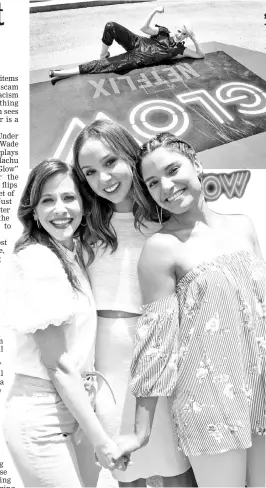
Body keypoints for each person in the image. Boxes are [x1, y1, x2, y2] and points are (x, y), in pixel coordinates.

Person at [114, 132, 266, 487]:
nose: (165, 186)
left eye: (172, 170)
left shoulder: (243, 224)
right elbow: (155, 344)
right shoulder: (161, 248)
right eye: (153, 182)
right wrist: (140, 432)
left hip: (260, 387)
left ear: (196, 164)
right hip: (209, 402)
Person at [72, 120, 195, 487]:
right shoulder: (84, 226)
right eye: (89, 172)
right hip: (108, 367)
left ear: (129, 155)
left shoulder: (167, 217)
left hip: (163, 359)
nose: (103, 179)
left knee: (178, 470)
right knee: (127, 471)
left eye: (110, 162)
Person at [1, 159, 127, 487]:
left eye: (69, 198)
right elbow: (57, 364)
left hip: (74, 405)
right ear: (34, 210)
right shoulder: (40, 260)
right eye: (47, 200)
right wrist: (102, 439)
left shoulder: (70, 253)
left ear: (85, 205)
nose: (60, 209)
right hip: (43, 415)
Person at [49, 6, 204, 85]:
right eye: (179, 31)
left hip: (136, 58)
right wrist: (153, 11)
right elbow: (144, 29)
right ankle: (103, 53)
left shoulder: (180, 49)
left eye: (184, 34)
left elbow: (200, 55)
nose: (180, 35)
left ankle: (61, 73)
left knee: (101, 66)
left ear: (186, 36)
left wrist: (194, 38)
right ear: (175, 28)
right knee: (111, 26)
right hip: (138, 41)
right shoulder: (163, 32)